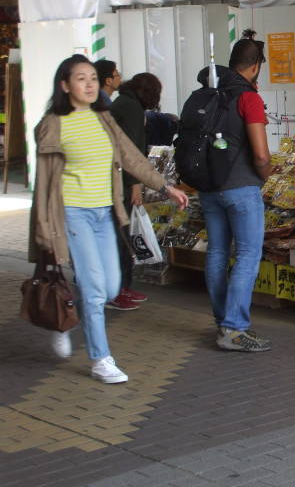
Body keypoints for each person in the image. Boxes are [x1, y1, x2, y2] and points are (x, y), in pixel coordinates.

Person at [29, 55, 188, 383]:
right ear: (65, 85)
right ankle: (101, 359)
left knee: (111, 285)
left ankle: (68, 314)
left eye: (92, 78)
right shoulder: (52, 125)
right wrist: (44, 227)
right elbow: (44, 183)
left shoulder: (104, 118)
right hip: (72, 214)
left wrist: (165, 186)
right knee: (93, 285)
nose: (89, 84)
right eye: (80, 79)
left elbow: (131, 157)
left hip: (106, 213)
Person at [196, 31, 272, 352]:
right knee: (247, 255)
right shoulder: (248, 97)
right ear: (254, 66)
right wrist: (266, 174)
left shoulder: (209, 92)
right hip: (241, 188)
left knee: (216, 253)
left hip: (209, 187)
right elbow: (261, 155)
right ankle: (234, 328)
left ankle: (222, 321)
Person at [107, 73, 163, 311]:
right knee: (122, 238)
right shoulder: (129, 108)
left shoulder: (123, 103)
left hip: (117, 180)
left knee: (123, 236)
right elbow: (130, 151)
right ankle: (117, 291)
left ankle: (122, 288)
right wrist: (136, 184)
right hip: (121, 182)